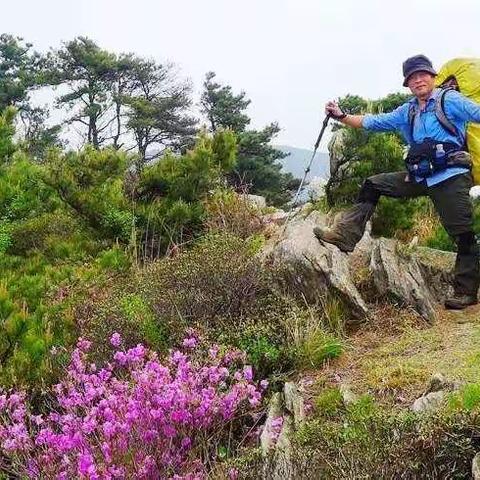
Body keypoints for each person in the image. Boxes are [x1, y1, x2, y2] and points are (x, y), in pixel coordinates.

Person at [315, 54, 480, 310]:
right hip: (420, 176)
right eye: (412, 78)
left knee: (463, 236)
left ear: (433, 77)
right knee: (373, 184)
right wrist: (341, 115)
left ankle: (466, 292)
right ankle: (346, 235)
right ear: (408, 84)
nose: (418, 80)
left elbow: (477, 113)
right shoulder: (409, 109)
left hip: (450, 177)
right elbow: (373, 122)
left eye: (422, 74)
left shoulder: (450, 100)